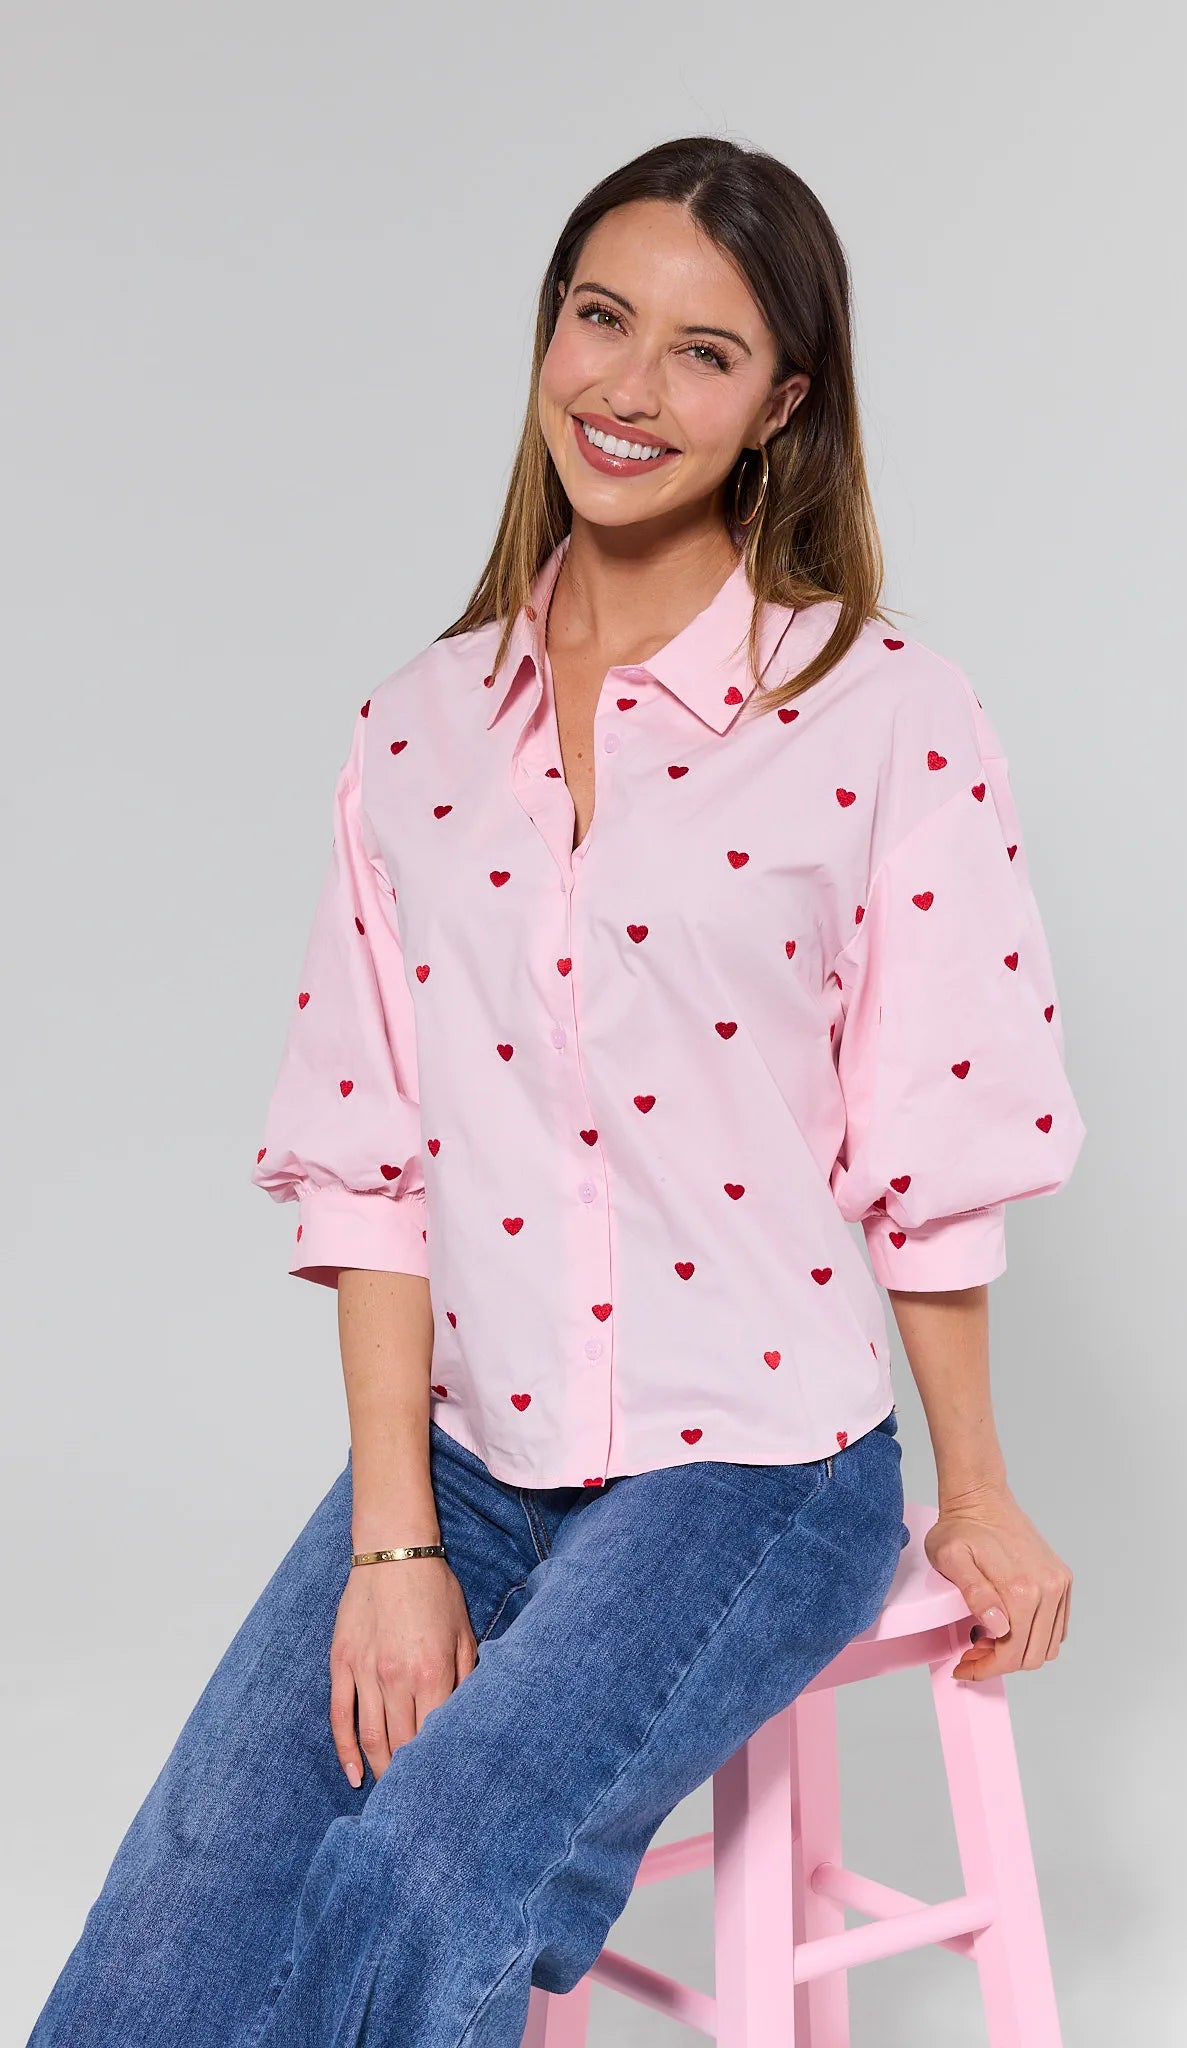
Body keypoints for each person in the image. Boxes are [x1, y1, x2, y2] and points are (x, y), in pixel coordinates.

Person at [27, 133, 1086, 2048]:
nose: (629, 385)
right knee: (175, 1945)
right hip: (466, 1459)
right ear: (546, 336)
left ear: (779, 409)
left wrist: (981, 1489)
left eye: (704, 350)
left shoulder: (879, 715)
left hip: (753, 1471)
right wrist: (394, 1545)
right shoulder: (419, 733)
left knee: (433, 1867)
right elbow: (368, 1168)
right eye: (601, 319)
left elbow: (934, 1142)